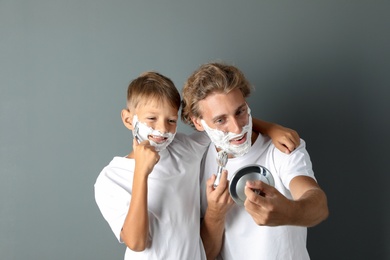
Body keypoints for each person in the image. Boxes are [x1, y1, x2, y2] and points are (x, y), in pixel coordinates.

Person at [94, 71, 301, 259]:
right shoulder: (111, 178)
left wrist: (272, 128)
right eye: (151, 119)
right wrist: (141, 171)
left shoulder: (184, 149)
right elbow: (137, 243)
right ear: (129, 120)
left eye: (171, 120)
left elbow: (221, 124)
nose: (162, 129)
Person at [181, 62, 329, 260]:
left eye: (240, 111)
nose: (236, 128)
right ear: (198, 122)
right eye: (220, 120)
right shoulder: (193, 159)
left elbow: (318, 205)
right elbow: (204, 255)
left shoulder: (281, 148)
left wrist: (289, 212)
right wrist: (215, 214)